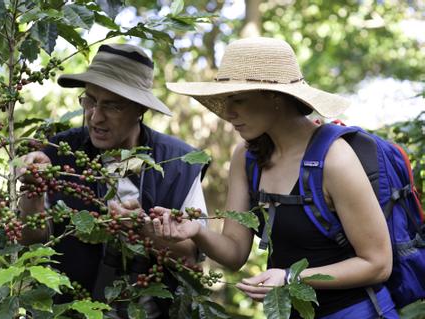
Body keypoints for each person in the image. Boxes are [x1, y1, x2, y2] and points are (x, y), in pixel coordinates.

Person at [148, 37, 399, 318]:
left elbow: (377, 263)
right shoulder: (246, 157)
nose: (228, 113)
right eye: (226, 100)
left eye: (239, 100)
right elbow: (234, 253)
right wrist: (197, 231)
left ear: (275, 97)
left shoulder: (334, 158)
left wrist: (290, 278)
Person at [18, 43, 208, 319]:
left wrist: (144, 230)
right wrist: (33, 191)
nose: (96, 117)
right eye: (90, 101)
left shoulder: (179, 162)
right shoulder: (59, 153)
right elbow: (29, 238)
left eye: (112, 106)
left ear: (140, 108)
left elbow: (191, 256)